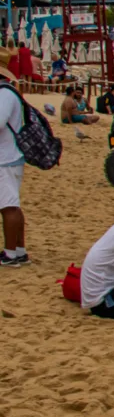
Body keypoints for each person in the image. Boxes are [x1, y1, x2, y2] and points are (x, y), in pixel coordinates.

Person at [0, 48, 27, 268]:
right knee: (12, 206)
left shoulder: (4, 94)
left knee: (8, 206)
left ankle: (11, 254)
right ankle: (19, 249)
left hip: (5, 158)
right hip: (10, 156)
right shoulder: (8, 92)